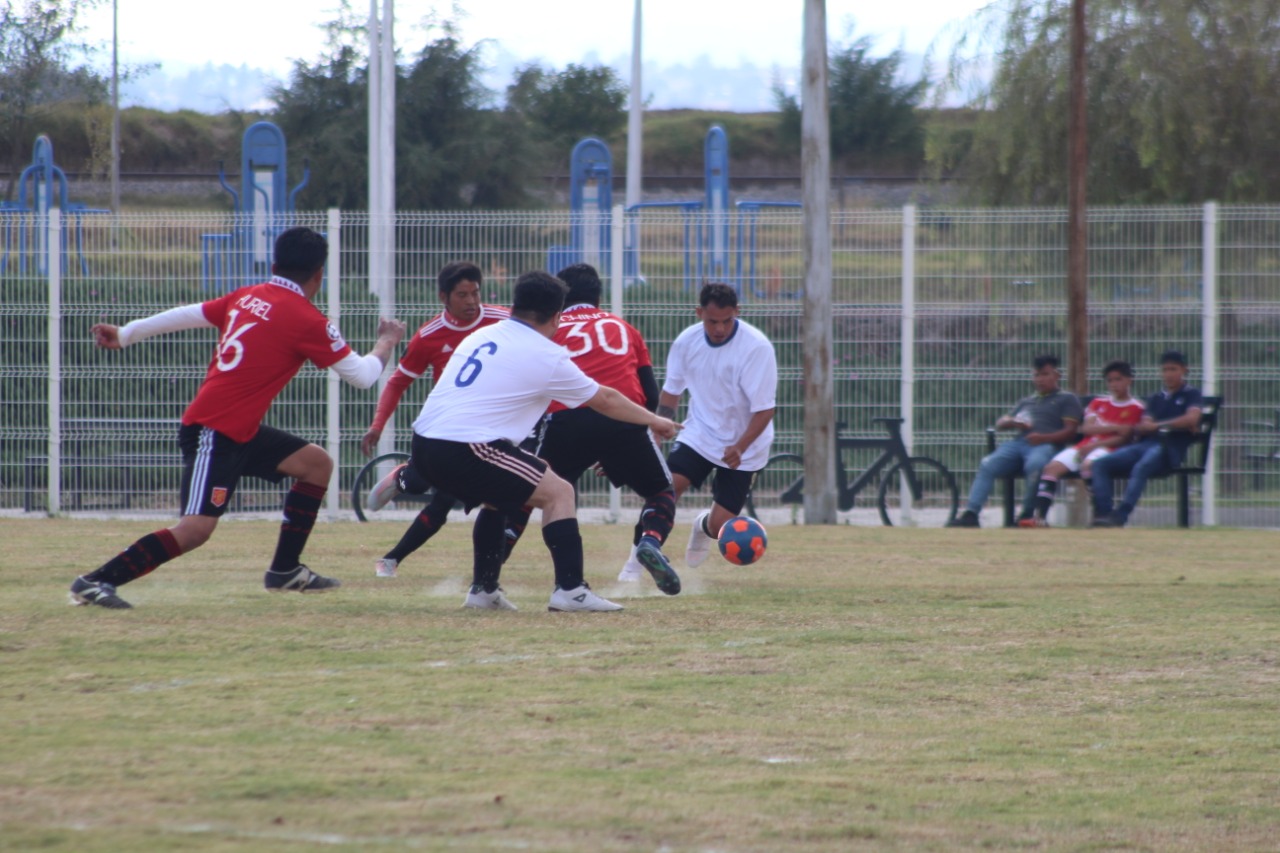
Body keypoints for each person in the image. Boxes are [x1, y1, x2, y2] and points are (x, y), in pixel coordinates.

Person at [70, 227, 407, 609]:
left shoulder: (247, 296)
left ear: (275, 264)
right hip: (213, 431)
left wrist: (127, 332)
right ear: (319, 275)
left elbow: (189, 314)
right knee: (195, 529)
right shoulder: (308, 320)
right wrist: (386, 343)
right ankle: (95, 581)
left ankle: (285, 571)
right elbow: (364, 377)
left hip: (237, 430)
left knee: (316, 464)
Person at [409, 270, 680, 612]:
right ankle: (571, 591)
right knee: (559, 492)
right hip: (465, 445)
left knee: (500, 499)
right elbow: (606, 400)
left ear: (514, 306)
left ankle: (484, 591)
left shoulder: (483, 335)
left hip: (423, 441)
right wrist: (656, 420)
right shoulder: (544, 353)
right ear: (556, 316)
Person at [501, 263, 681, 594]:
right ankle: (651, 542)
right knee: (660, 493)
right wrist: (625, 444)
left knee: (531, 492)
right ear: (598, 297)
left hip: (565, 420)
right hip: (623, 419)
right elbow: (651, 394)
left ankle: (497, 554)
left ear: (561, 297)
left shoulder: (551, 327)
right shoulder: (624, 328)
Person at [359, 262, 509, 578]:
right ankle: (404, 477)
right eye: (462, 295)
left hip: (488, 428)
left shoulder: (502, 320)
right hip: (448, 428)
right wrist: (377, 424)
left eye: (476, 293)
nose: (471, 301)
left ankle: (390, 561)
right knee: (420, 487)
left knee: (445, 504)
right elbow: (398, 382)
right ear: (444, 297)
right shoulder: (429, 336)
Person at [657, 282, 777, 568]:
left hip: (745, 447)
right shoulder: (686, 342)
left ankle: (702, 526)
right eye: (713, 321)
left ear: (737, 311)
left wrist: (740, 446)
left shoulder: (756, 347)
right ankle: (636, 563)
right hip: (699, 434)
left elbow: (765, 410)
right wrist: (656, 431)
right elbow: (671, 392)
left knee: (720, 526)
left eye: (727, 320)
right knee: (665, 490)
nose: (720, 328)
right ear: (699, 313)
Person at [947, 354, 1083, 528]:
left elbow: (1070, 432)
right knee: (988, 463)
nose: (1040, 379)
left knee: (1035, 465)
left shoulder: (1067, 399)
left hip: (1045, 446)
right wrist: (1012, 422)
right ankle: (971, 514)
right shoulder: (1027, 401)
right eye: (1036, 375)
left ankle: (1026, 515)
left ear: (1057, 375)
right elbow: (1001, 423)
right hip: (1019, 444)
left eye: (1045, 374)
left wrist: (1043, 437)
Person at [1021, 360, 1145, 526]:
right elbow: (1086, 428)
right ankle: (1040, 518)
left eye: (1118, 379)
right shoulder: (1098, 403)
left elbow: (1124, 437)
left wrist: (1096, 442)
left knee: (1089, 465)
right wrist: (1116, 427)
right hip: (1083, 446)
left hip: (1109, 449)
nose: (1114, 384)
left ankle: (1099, 515)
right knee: (1051, 468)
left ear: (1129, 380)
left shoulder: (1136, 408)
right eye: (1110, 380)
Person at [1090, 350, 1203, 528]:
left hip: (1169, 448)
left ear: (1184, 370)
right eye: (1165, 370)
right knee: (1100, 464)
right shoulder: (1156, 397)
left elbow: (1192, 419)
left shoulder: (1191, 394)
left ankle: (1121, 515)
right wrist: (1167, 424)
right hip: (1147, 444)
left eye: (1173, 369)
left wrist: (1159, 425)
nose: (1168, 374)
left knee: (1141, 466)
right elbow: (1145, 422)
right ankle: (1104, 514)